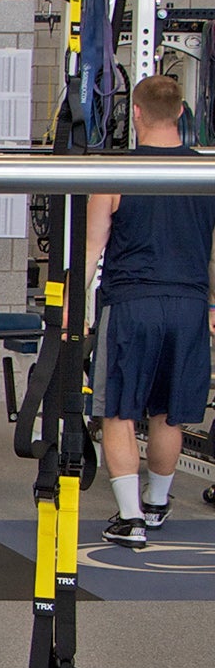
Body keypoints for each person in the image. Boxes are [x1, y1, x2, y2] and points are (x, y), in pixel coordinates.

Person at [85, 73, 215, 547]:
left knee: (118, 412)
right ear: (182, 113)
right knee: (168, 413)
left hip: (132, 305)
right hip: (188, 307)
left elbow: (91, 252)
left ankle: (131, 518)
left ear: (135, 114)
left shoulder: (115, 174)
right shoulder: (206, 172)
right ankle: (158, 504)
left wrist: (73, 310)